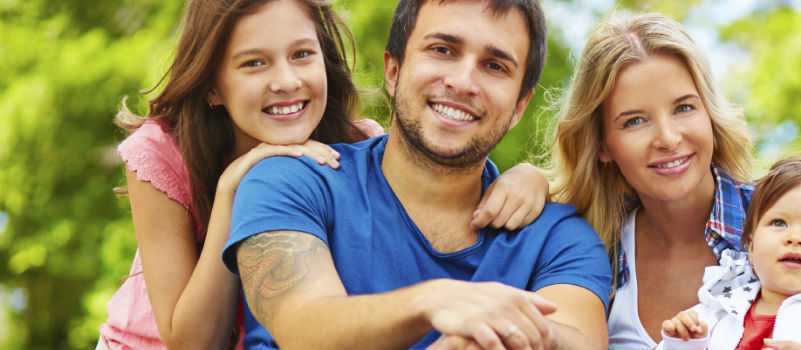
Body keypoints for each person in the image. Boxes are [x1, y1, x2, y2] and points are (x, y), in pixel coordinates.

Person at [103, 0, 545, 348]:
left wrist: (530, 177)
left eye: (302, 55)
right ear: (214, 85)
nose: (286, 80)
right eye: (254, 63)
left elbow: (449, 175)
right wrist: (230, 190)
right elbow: (192, 342)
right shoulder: (162, 152)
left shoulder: (355, 143)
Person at [220, 0, 610, 349]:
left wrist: (498, 335)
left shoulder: (557, 236)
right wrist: (434, 301)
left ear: (520, 106)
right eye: (443, 50)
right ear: (393, 69)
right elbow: (303, 329)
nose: (462, 82)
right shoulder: (291, 182)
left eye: (494, 66)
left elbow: (580, 340)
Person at [544, 13, 801, 349]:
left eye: (683, 108)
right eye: (635, 121)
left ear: (709, 113)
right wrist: (525, 179)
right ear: (602, 144)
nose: (668, 137)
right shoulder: (589, 244)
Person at [658, 158, 801, 350]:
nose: (795, 237)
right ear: (751, 248)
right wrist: (682, 343)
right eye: (779, 223)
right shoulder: (717, 310)